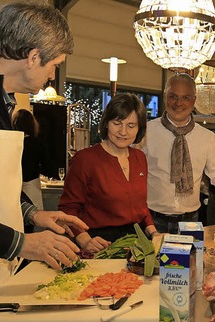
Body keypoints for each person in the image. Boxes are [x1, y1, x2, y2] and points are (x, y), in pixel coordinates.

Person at [0, 3, 88, 319]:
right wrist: (21, 244)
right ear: (33, 57)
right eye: (54, 64)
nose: (52, 74)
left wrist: (33, 214)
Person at [59, 93, 157, 252]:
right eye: (117, 123)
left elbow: (141, 207)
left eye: (131, 125)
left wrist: (153, 232)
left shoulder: (140, 158)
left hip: (136, 244)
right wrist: (85, 241)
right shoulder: (85, 159)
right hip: (98, 244)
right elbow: (68, 209)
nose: (123, 131)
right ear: (106, 124)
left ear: (139, 128)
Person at [141, 74, 215, 233]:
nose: (178, 103)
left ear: (194, 100)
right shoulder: (146, 132)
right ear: (165, 97)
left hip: (190, 221)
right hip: (152, 220)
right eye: (173, 96)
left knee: (191, 259)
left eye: (185, 97)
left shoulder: (207, 137)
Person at [13, 108, 44, 210]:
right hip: (32, 182)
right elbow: (46, 164)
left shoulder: (11, 142)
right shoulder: (36, 143)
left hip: (13, 182)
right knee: (34, 214)